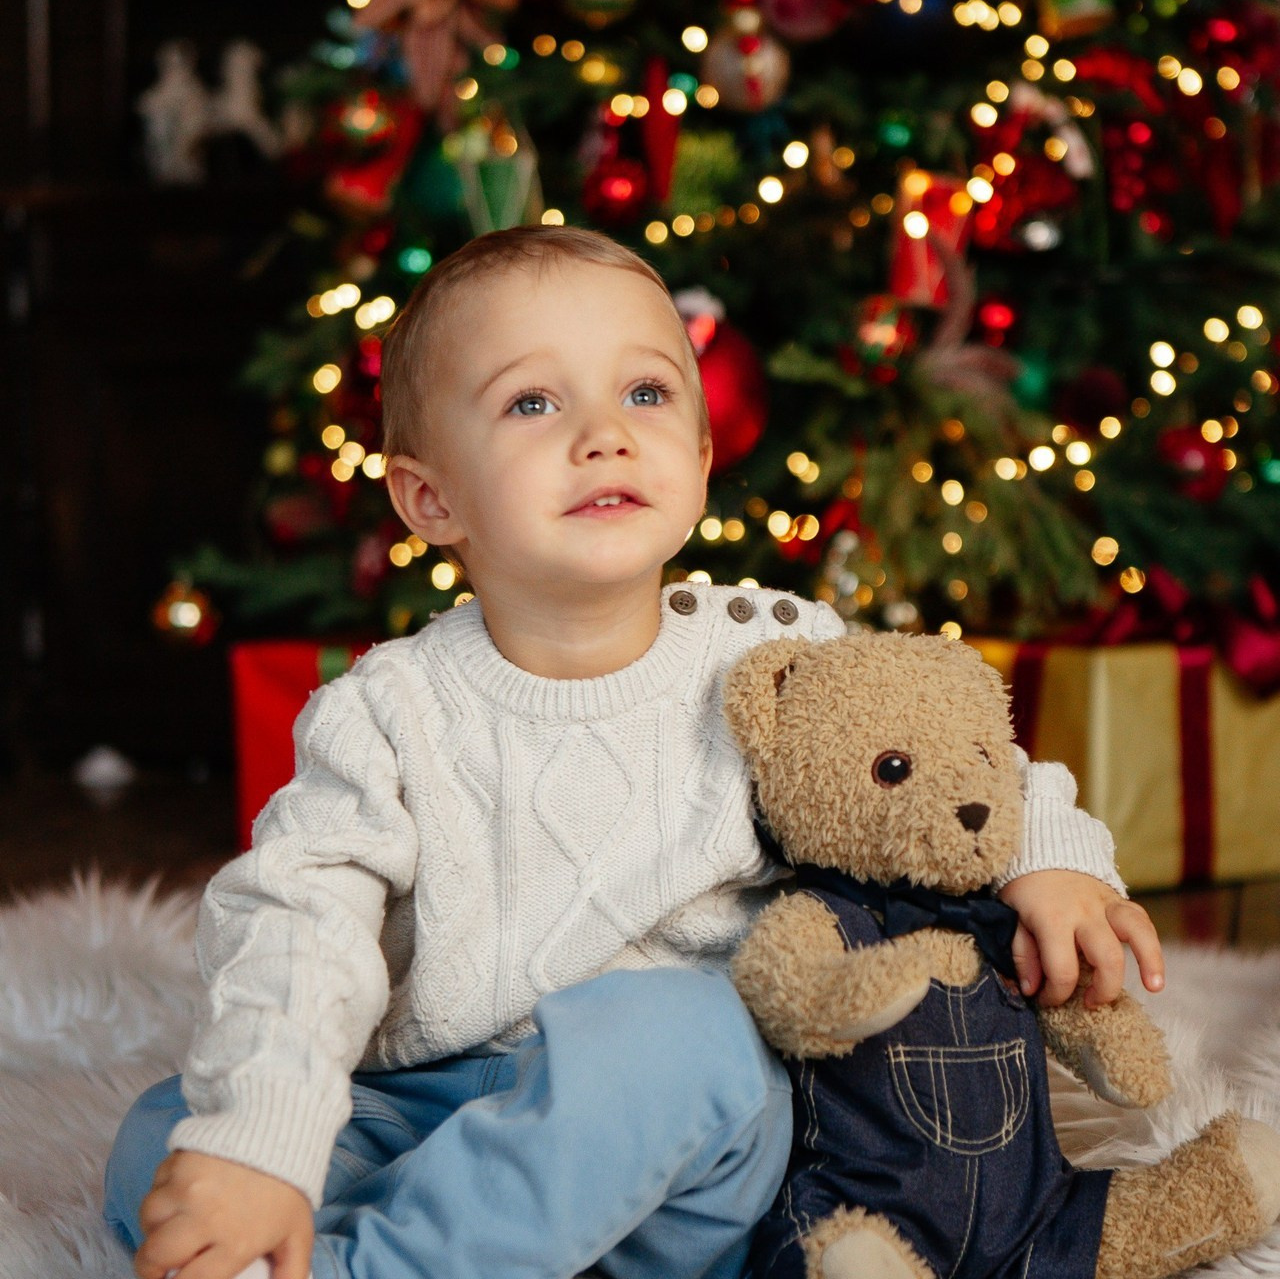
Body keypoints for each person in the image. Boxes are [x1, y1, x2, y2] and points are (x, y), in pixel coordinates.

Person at [104, 226, 1164, 1279]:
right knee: (168, 1139)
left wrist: (1052, 856)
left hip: (692, 1138)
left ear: (700, 459)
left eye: (646, 394)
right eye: (533, 402)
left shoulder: (774, 654)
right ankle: (435, 1229)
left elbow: (945, 763)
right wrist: (256, 1143)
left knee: (679, 1032)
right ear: (431, 499)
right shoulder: (384, 710)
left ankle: (382, 1263)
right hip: (437, 1100)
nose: (604, 434)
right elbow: (295, 918)